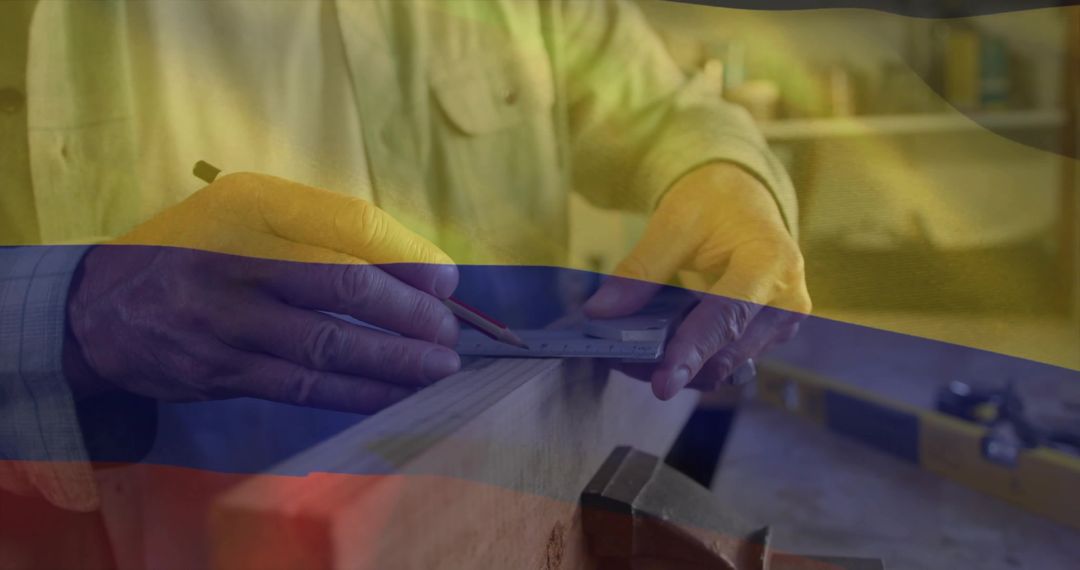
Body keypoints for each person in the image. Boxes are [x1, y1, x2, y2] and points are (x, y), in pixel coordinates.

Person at [0, 0, 809, 546]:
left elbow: (667, 111)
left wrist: (731, 183)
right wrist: (77, 309)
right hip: (149, 535)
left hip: (507, 514)